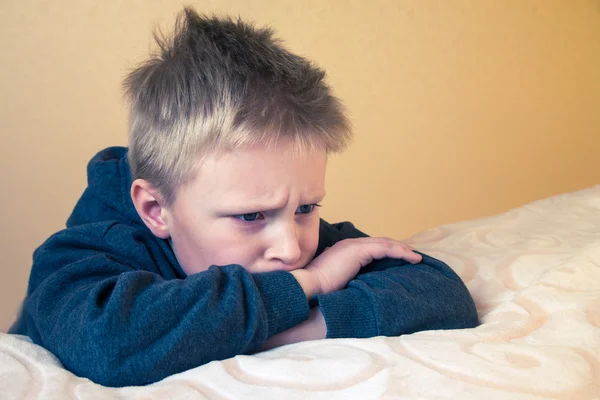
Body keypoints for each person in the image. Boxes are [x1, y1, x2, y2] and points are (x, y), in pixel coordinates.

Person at [10, 7, 479, 387]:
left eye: (307, 208)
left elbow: (442, 294)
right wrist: (308, 285)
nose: (292, 248)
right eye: (251, 215)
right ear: (156, 209)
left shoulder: (297, 240)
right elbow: (112, 343)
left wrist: (287, 329)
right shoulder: (79, 257)